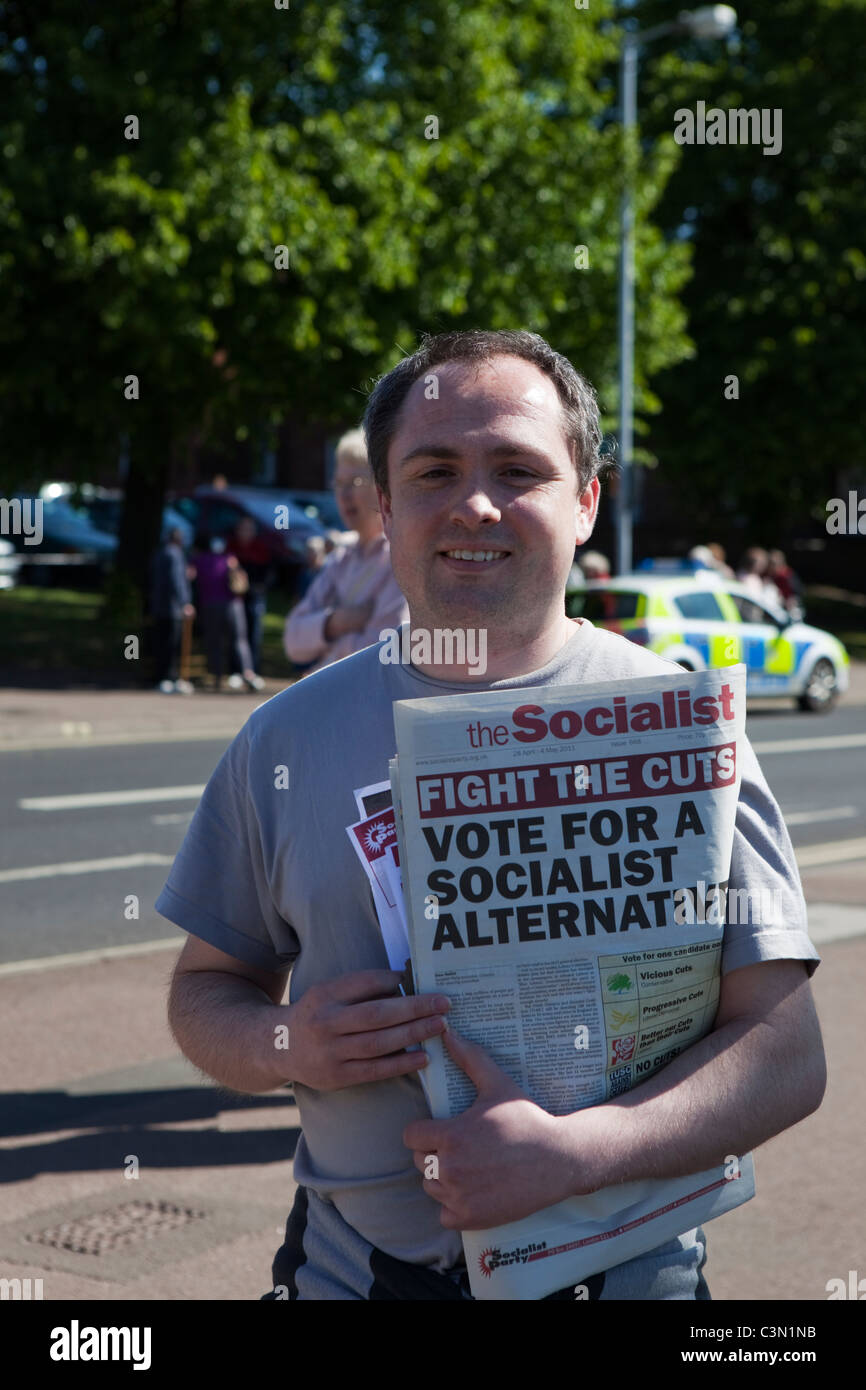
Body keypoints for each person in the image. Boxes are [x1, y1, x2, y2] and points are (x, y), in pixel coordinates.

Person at [158, 330, 825, 1302]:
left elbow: (784, 1053)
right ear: (383, 505)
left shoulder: (683, 724)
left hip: (631, 1276)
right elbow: (204, 991)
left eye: (517, 468)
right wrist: (285, 1044)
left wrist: (580, 1153)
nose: (474, 502)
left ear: (585, 499)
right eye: (433, 470)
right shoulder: (283, 739)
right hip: (357, 1274)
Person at [282, 428, 409, 675]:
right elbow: (293, 641)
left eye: (355, 482)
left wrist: (322, 655)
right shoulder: (341, 558)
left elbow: (381, 653)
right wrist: (338, 621)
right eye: (339, 483)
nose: (344, 494)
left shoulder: (401, 557)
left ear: (381, 488)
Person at [190, 533, 260, 692]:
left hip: (210, 606)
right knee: (239, 640)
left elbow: (190, 576)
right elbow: (240, 582)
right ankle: (247, 674)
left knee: (214, 642)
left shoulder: (199, 560)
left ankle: (216, 677)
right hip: (233, 605)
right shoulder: (230, 559)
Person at [225, 517, 274, 686]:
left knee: (254, 634)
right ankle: (236, 671)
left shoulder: (261, 549)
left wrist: (255, 588)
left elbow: (268, 576)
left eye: (248, 529)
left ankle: (253, 671)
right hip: (237, 598)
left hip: (255, 598)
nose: (245, 533)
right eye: (242, 529)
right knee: (236, 634)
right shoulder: (231, 548)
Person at [148, 526, 195, 695]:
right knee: (170, 644)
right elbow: (177, 581)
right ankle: (168, 677)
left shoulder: (160, 553)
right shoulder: (175, 555)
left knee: (161, 643)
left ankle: (161, 677)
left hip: (159, 606)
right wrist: (185, 603)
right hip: (172, 608)